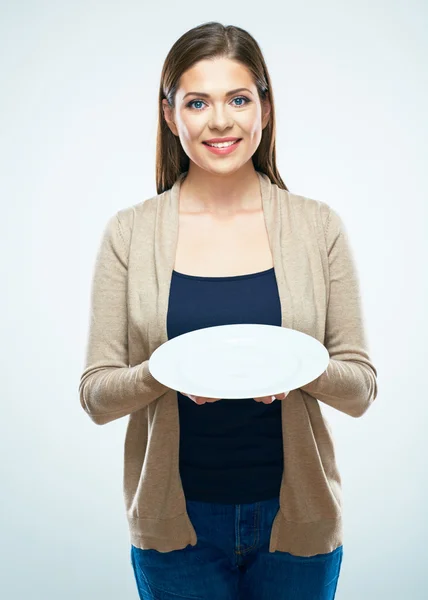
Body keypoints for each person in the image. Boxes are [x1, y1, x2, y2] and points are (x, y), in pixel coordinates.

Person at [79, 20, 378, 600]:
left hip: (299, 523)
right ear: (171, 116)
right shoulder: (130, 233)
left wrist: (296, 366)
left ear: (264, 108)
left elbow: (361, 389)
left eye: (238, 99)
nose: (220, 121)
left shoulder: (317, 227)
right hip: (175, 528)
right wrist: (161, 373)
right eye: (198, 102)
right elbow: (95, 395)